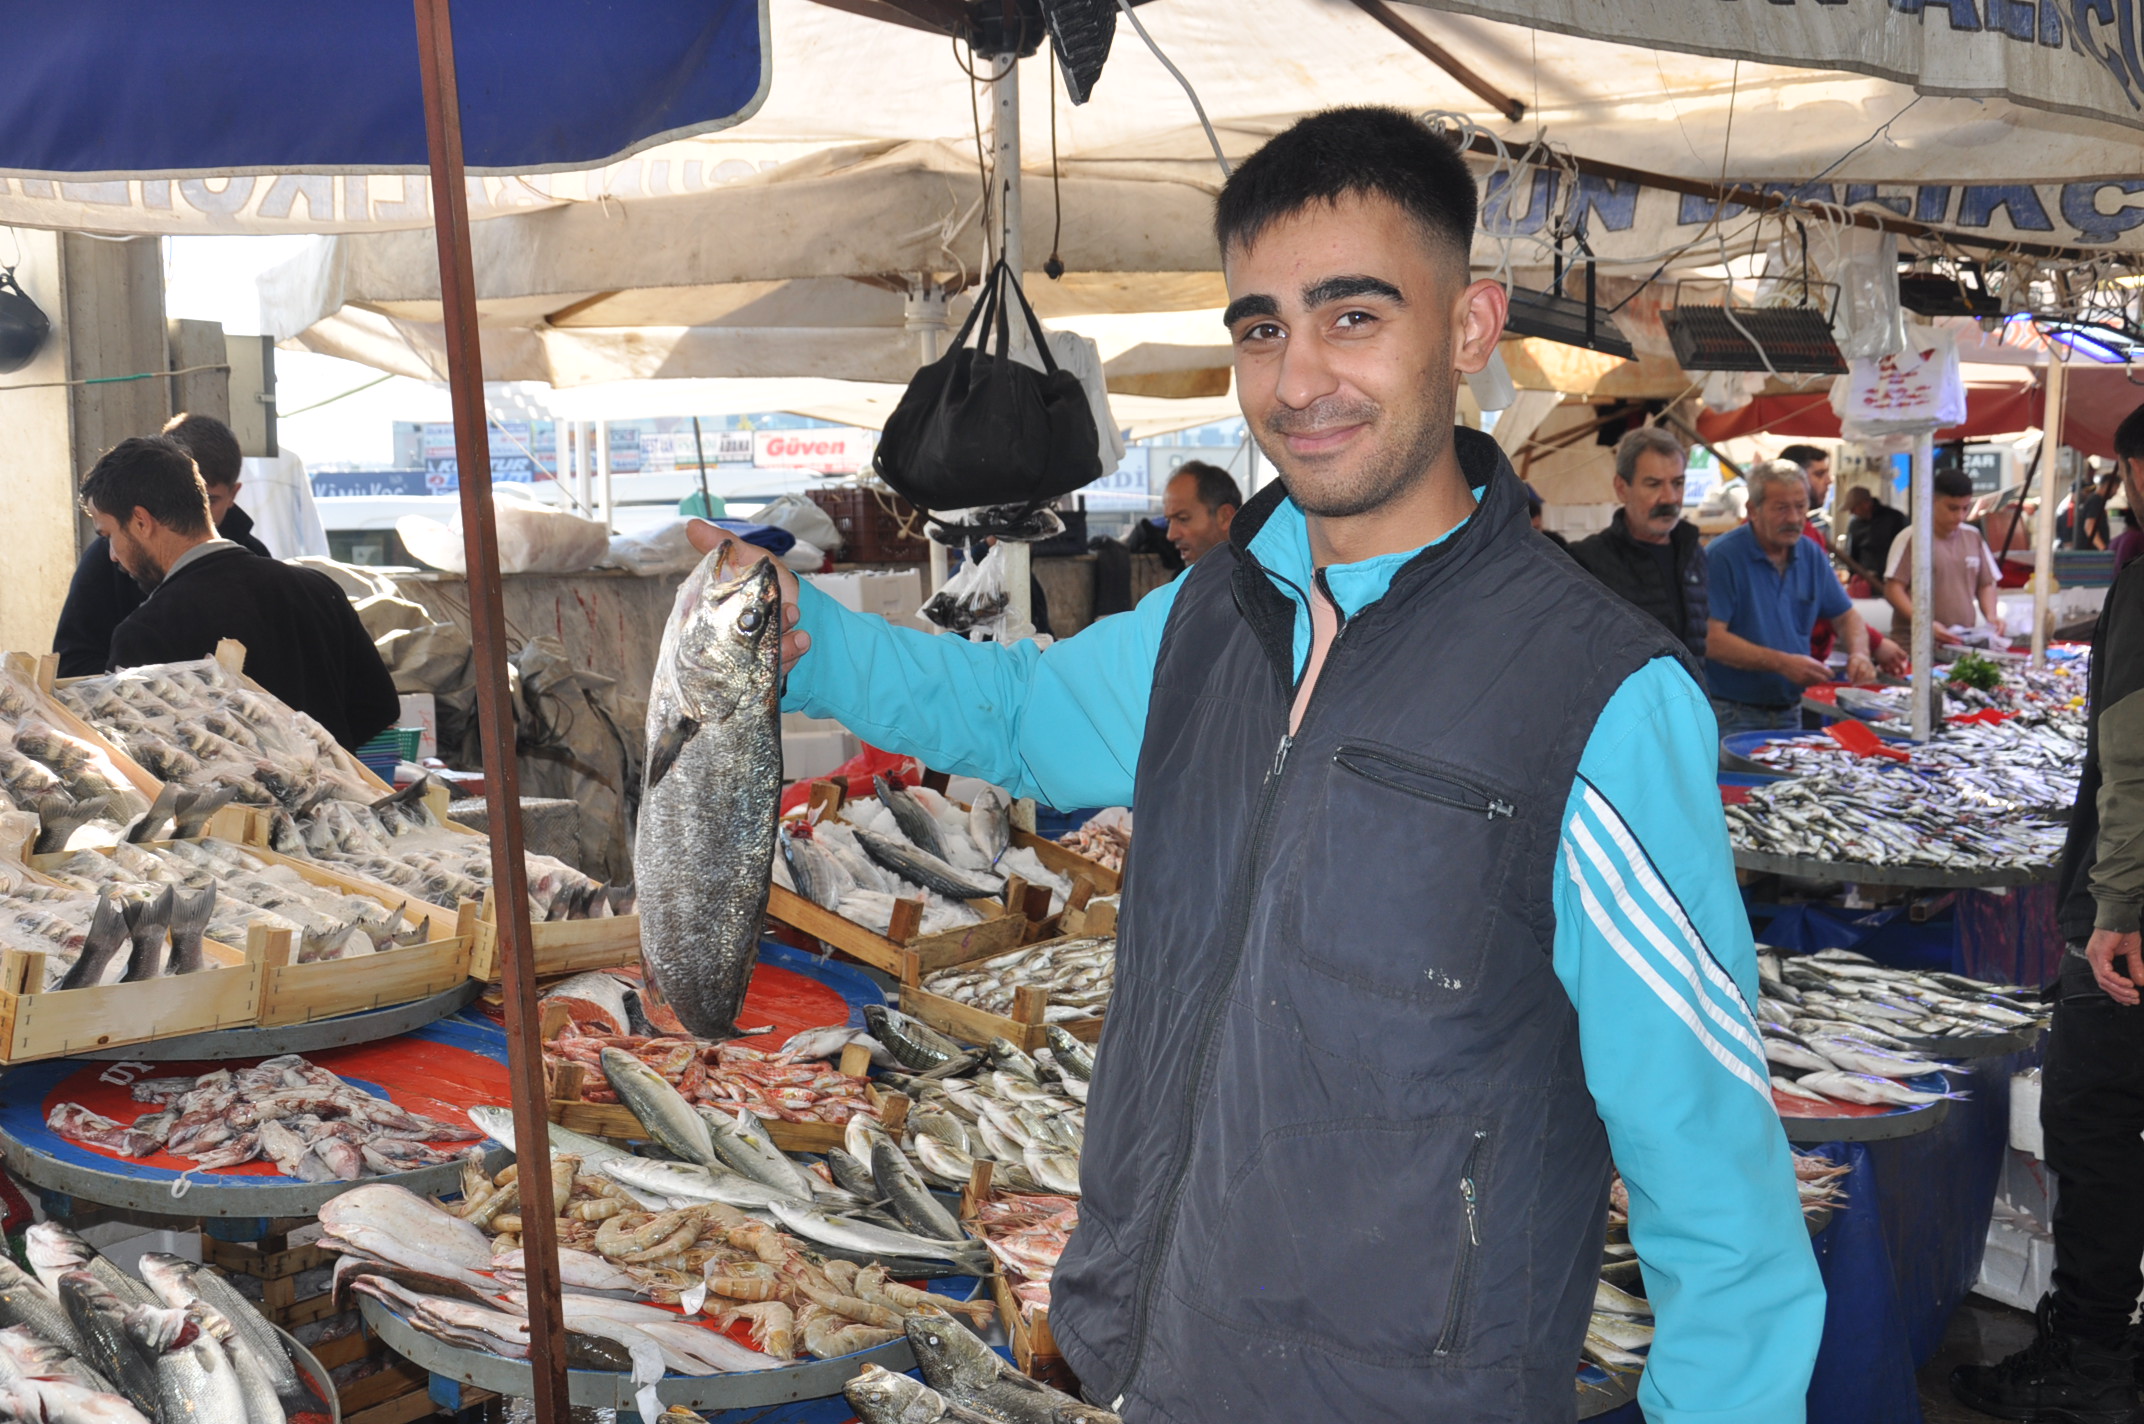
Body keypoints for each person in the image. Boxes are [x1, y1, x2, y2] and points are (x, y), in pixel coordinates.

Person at [690, 106, 1820, 1423]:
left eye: (1355, 316)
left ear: (1467, 327)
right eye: (1262, 327)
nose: (1297, 380)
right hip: (1159, 1364)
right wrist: (801, 638)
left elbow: (1715, 1188)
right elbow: (1020, 716)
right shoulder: (1212, 616)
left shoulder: (1601, 697)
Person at [1950, 407, 2144, 1421]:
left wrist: (2115, 905)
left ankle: (2088, 1353)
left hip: (2130, 926)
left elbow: (2131, 752)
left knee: (2092, 1122)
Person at [79, 436, 398, 749]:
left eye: (108, 535)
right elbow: (378, 708)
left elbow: (136, 757)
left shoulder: (148, 632)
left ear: (140, 521)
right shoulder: (316, 589)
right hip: (340, 800)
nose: (112, 555)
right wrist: (320, 757)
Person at [52, 412, 270, 678]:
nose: (200, 513)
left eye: (209, 499)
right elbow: (73, 664)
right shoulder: (111, 560)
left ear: (233, 493)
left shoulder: (262, 562)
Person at [1706, 459, 1880, 734]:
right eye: (1781, 508)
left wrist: (1860, 653)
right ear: (1753, 510)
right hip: (1731, 713)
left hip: (1791, 710)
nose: (1794, 518)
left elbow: (1846, 616)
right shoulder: (1722, 557)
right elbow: (1711, 639)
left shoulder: (1810, 553)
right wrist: (1782, 663)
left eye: (1800, 507)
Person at [1568, 425, 1706, 663]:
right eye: (1653, 484)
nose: (1670, 498)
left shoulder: (1693, 553)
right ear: (1622, 488)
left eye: (1678, 483)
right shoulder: (1588, 561)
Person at [1882, 467, 2003, 646]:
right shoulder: (1912, 538)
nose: (1959, 516)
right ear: (1933, 501)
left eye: (1965, 508)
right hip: (1915, 644)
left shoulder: (1973, 536)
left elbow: (1986, 584)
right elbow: (1893, 590)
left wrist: (1992, 617)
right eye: (1952, 508)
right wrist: (1924, 623)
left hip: (1961, 641)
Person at [1160, 460, 1241, 564]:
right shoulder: (1184, 577)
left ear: (1225, 517)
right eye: (1168, 522)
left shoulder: (1258, 575)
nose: (1171, 535)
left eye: (1183, 519)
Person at [1843, 485, 1908, 586]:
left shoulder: (1894, 519)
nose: (1851, 512)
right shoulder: (1854, 525)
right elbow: (1853, 556)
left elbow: (1904, 552)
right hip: (1864, 583)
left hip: (1891, 582)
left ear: (1866, 504)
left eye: (1854, 508)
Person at [1780, 442, 1833, 544]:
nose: (1829, 481)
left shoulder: (1811, 533)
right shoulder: (1765, 531)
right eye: (1819, 474)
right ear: (1793, 478)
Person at [2078, 469, 2119, 551]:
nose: (2116, 493)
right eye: (2116, 488)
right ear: (2108, 485)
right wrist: (2103, 549)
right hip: (2091, 556)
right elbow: (2089, 527)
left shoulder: (2097, 500)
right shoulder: (2096, 501)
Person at [1522, 479, 1568, 549]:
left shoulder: (1555, 542)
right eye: (1529, 530)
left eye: (1536, 528)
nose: (1534, 535)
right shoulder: (1507, 548)